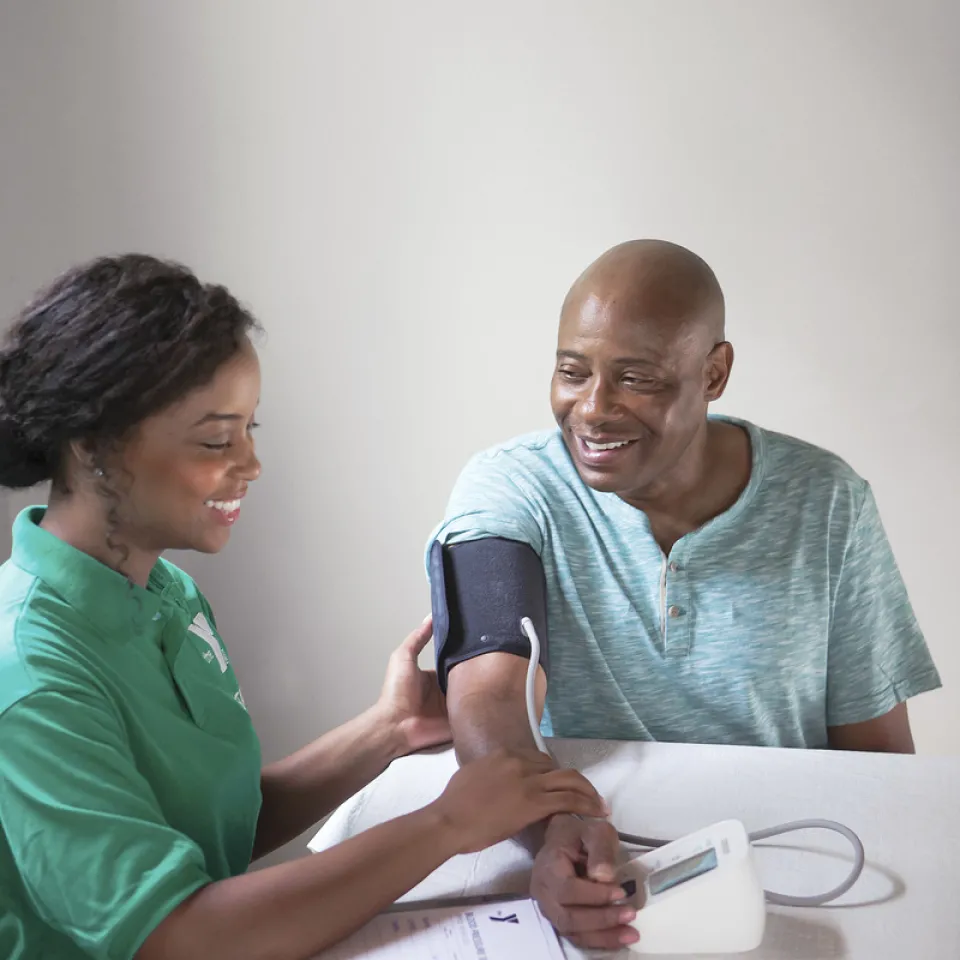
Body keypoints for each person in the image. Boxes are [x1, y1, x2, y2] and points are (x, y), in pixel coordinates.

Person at [0, 254, 610, 960]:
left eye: (251, 429)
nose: (251, 464)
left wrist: (386, 730)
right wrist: (447, 823)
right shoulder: (29, 672)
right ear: (92, 447)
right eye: (214, 440)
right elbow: (176, 937)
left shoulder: (166, 593)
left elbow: (205, 827)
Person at [426, 238, 942, 950]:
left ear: (715, 372)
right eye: (572, 372)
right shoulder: (511, 489)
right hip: (577, 857)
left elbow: (880, 763)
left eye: (636, 378)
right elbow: (486, 693)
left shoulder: (826, 501)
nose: (593, 409)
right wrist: (554, 830)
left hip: (789, 879)